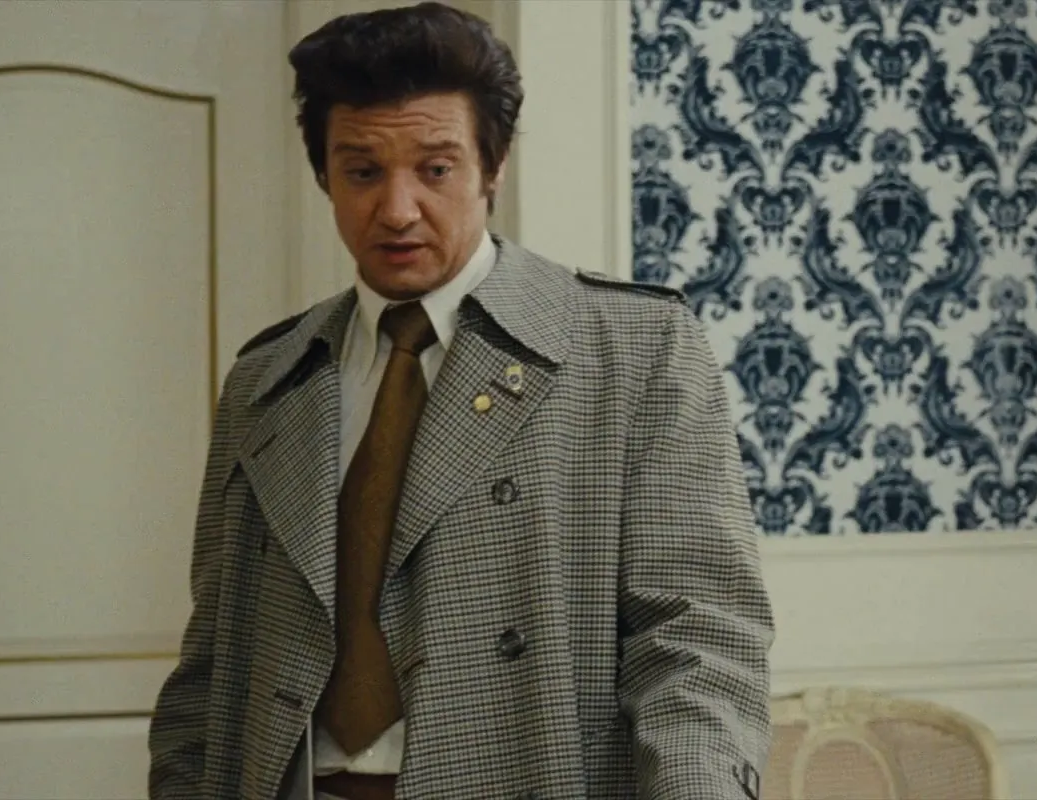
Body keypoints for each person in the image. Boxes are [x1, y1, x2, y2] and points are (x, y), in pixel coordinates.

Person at [145, 5, 774, 800]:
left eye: (435, 170)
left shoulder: (633, 349)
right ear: (324, 176)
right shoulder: (268, 378)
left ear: (493, 166)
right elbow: (212, 668)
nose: (397, 209)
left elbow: (697, 640)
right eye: (362, 171)